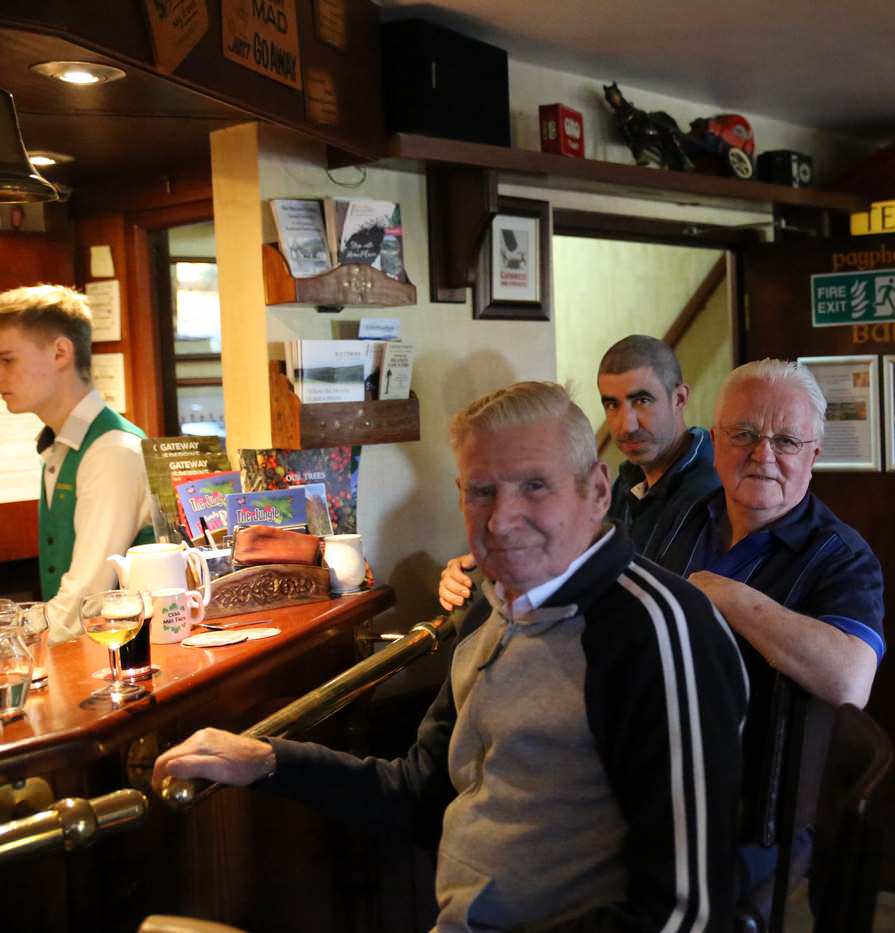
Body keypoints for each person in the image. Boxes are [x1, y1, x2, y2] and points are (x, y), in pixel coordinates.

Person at [154, 381, 749, 932]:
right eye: (482, 492)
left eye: (534, 486)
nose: (502, 520)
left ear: (596, 491)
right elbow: (418, 794)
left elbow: (687, 913)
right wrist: (266, 760)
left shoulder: (656, 630)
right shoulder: (493, 604)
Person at [654, 359, 885, 895]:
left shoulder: (842, 557)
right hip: (652, 781)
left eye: (786, 441)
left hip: (753, 816)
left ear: (813, 457)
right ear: (715, 442)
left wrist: (726, 594)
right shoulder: (681, 516)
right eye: (744, 434)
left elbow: (851, 680)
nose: (763, 455)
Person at [439, 334, 718, 610]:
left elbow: (661, 601)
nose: (626, 425)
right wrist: (493, 559)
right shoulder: (628, 480)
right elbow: (579, 553)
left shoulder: (712, 489)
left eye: (642, 401)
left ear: (679, 398)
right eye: (612, 404)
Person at [0, 285, 153, 642]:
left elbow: (82, 606)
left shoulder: (112, 451)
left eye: (7, 360)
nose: (0, 374)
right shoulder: (62, 445)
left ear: (60, 352)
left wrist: (11, 635)